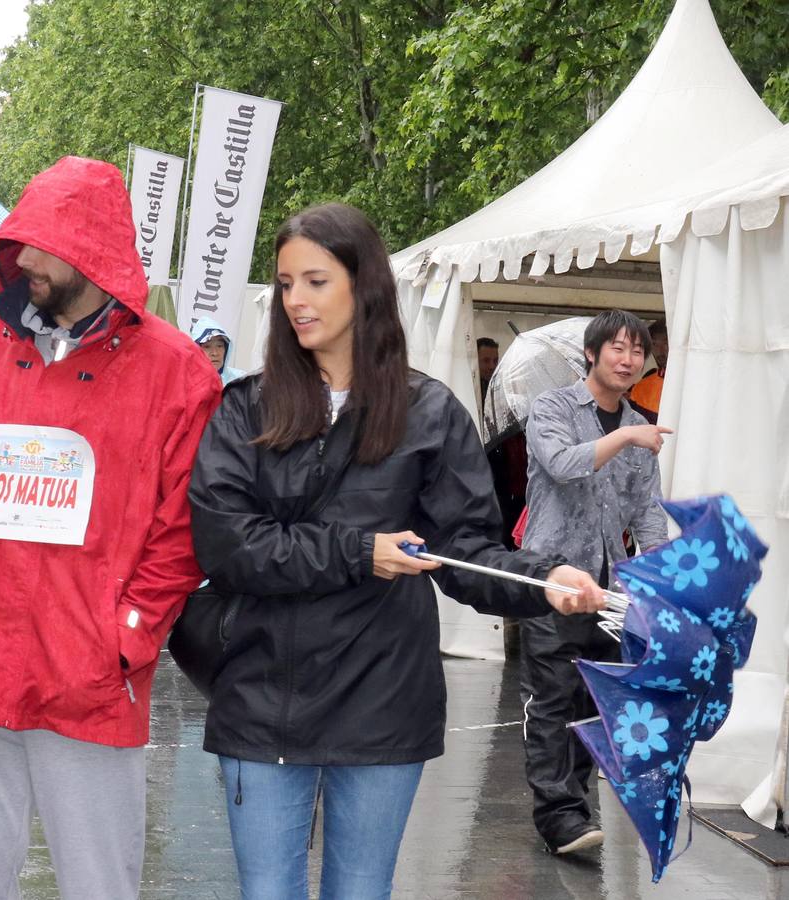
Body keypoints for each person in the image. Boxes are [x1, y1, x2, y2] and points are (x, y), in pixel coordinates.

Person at [186, 204, 605, 900]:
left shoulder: (430, 413)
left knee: (362, 889)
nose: (295, 300)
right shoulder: (246, 409)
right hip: (262, 693)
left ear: (364, 285)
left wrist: (544, 579)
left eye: (315, 281)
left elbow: (467, 551)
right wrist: (359, 552)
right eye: (286, 283)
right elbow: (228, 546)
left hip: (383, 694)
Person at [0, 156, 223, 900]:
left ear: (88, 252)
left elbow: (184, 529)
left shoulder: (178, 371)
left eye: (37, 243)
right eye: (17, 241)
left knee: (99, 880)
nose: (21, 259)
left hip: (91, 674)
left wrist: (125, 634)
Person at [520, 309, 670, 855]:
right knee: (551, 697)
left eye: (638, 352)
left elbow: (647, 512)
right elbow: (562, 463)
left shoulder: (640, 427)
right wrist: (628, 434)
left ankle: (576, 810)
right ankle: (559, 816)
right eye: (619, 349)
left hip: (610, 593)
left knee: (594, 702)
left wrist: (658, 579)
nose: (629, 360)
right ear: (592, 352)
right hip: (551, 578)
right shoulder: (552, 407)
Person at [627, 318, 668, 421]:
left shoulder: (697, 384)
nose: (660, 351)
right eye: (654, 344)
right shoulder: (641, 388)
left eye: (665, 343)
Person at [190, 316, 247, 385]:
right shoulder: (186, 383)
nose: (215, 353)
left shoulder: (240, 380)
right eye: (207, 346)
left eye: (219, 346)